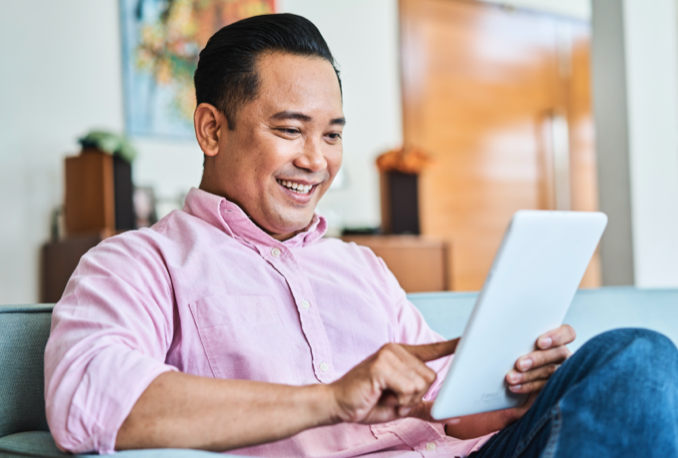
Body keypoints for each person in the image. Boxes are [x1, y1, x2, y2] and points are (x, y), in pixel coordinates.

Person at [45, 13, 678, 458]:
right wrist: (330, 400)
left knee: (636, 359)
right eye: (290, 130)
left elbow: (454, 411)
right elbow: (90, 400)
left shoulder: (360, 268)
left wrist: (516, 384)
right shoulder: (138, 263)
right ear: (212, 131)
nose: (316, 160)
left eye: (332, 134)